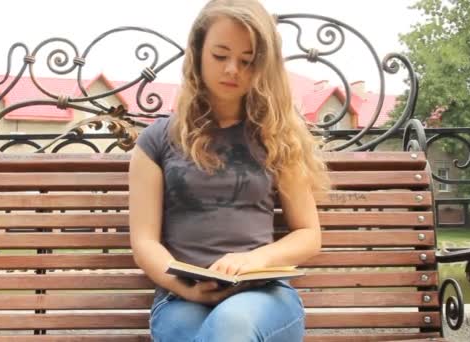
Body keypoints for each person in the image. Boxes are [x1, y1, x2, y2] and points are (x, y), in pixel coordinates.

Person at [129, 0, 331, 340]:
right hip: (181, 296)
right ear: (197, 52)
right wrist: (186, 289)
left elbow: (309, 235)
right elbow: (145, 242)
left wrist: (256, 259)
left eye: (247, 60)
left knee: (229, 325)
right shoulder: (156, 141)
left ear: (262, 65)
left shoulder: (277, 136)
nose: (232, 70)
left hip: (263, 295)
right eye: (220, 56)